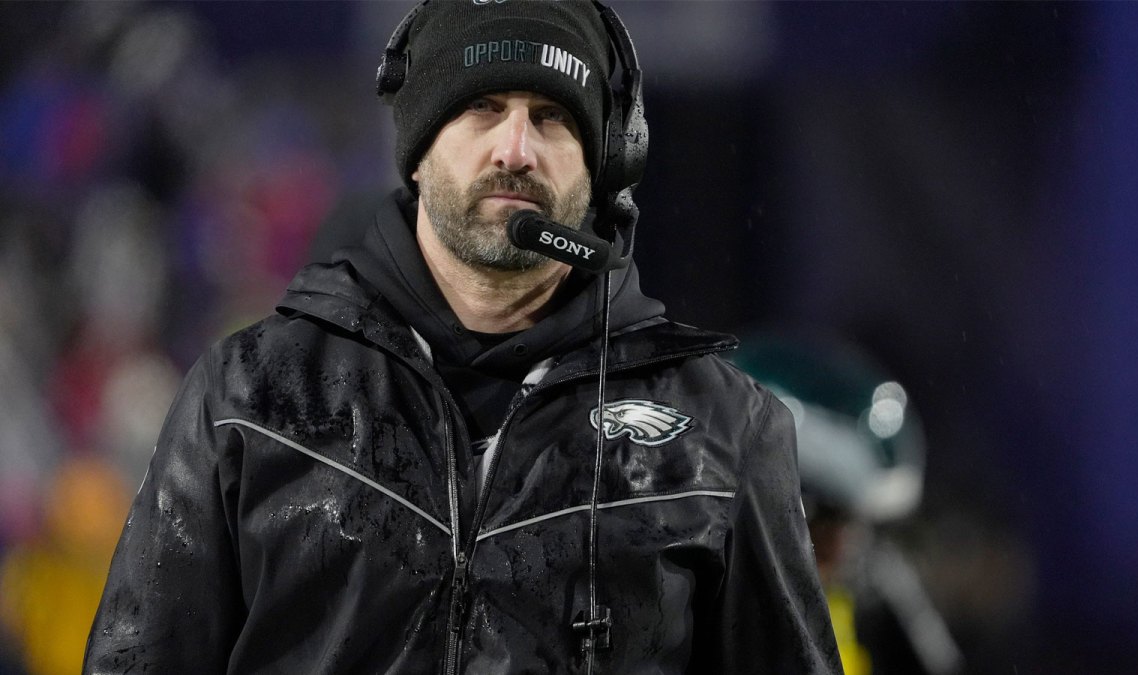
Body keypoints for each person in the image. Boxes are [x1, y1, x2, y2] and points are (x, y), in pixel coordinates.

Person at [84, 1, 843, 672]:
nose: (515, 149)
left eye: (552, 117)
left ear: (607, 164)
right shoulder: (247, 397)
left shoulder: (724, 434)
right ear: (419, 148)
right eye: (483, 107)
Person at [732, 336, 963, 675]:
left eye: (851, 522)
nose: (845, 544)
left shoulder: (872, 582)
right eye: (818, 517)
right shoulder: (715, 589)